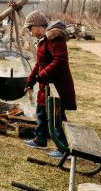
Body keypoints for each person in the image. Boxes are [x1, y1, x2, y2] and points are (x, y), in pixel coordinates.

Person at [22, 11, 76, 159]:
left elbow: (60, 60)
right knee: (41, 111)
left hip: (57, 86)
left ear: (38, 26)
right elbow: (39, 63)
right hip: (46, 85)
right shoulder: (43, 39)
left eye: (30, 28)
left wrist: (43, 75)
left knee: (57, 117)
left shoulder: (54, 38)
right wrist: (30, 81)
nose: (31, 32)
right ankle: (40, 139)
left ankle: (65, 149)